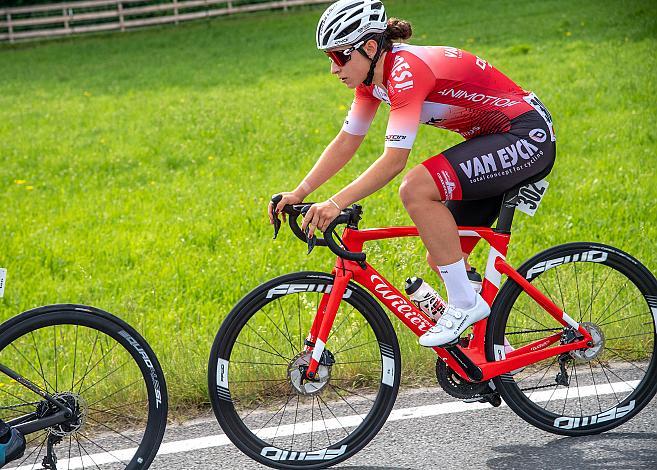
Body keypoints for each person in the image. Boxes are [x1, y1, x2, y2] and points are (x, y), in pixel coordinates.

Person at [268, 0, 555, 347]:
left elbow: (394, 161)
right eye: (329, 58)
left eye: (340, 56)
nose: (334, 68)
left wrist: (334, 203)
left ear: (370, 47)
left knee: (417, 187)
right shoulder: (372, 80)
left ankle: (465, 305)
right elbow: (346, 141)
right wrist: (299, 193)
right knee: (443, 256)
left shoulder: (405, 71)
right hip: (494, 139)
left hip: (524, 135)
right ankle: (490, 348)